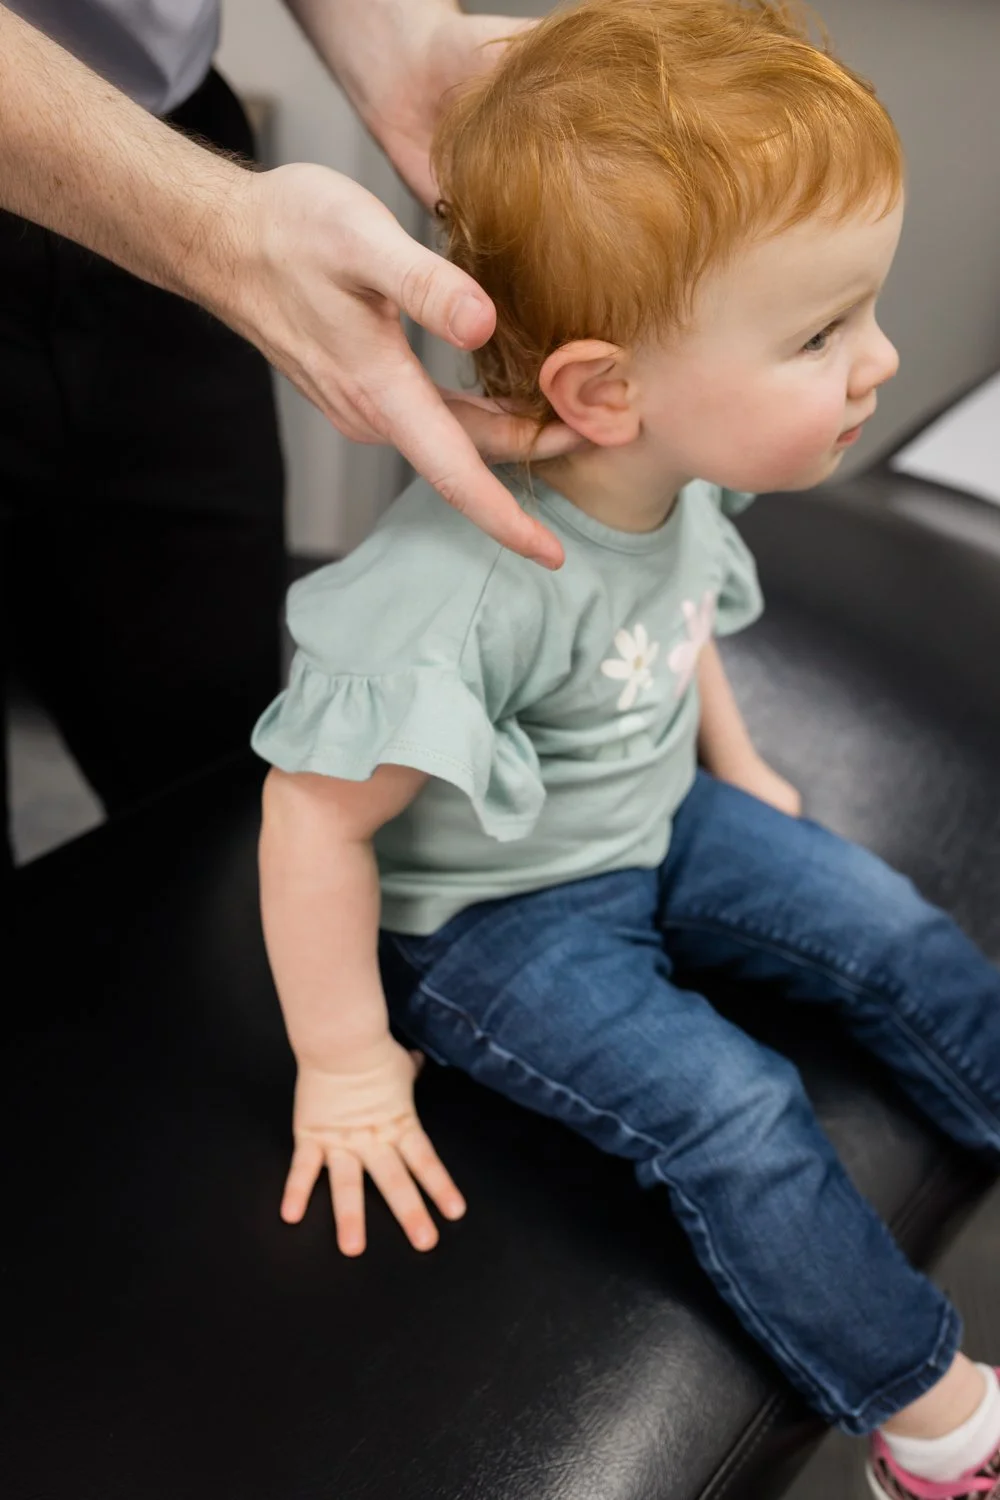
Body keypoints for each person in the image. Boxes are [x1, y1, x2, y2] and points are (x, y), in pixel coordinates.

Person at [251, 2, 1000, 1496]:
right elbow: (311, 815)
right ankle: (937, 1428)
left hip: (656, 815)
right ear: (604, 391)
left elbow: (680, 618)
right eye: (821, 333)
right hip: (497, 918)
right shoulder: (463, 589)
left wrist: (739, 762)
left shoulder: (670, 474)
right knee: (734, 1112)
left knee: (897, 933)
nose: (879, 360)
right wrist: (344, 1063)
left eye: (862, 313)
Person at [0, 1, 575, 872]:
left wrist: (406, 41)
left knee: (208, 786)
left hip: (168, 138)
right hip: (183, 193)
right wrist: (213, 229)